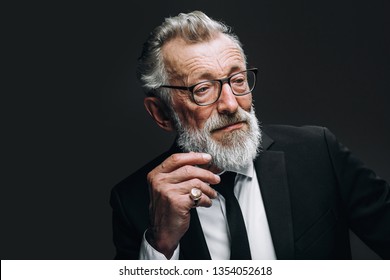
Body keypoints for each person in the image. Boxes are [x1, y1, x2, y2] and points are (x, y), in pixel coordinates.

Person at [110, 11, 390, 260]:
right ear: (161, 113)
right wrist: (161, 245)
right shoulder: (133, 201)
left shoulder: (318, 153)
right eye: (203, 88)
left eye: (238, 80)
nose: (231, 104)